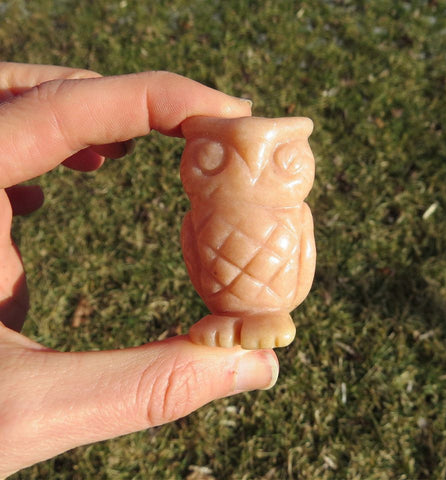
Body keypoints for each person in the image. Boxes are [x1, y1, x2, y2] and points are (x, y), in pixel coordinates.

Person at [0, 62, 278, 478]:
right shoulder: (200, 218)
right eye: (216, 158)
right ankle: (228, 317)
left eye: (280, 160)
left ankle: (267, 316)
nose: (251, 175)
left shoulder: (292, 219)